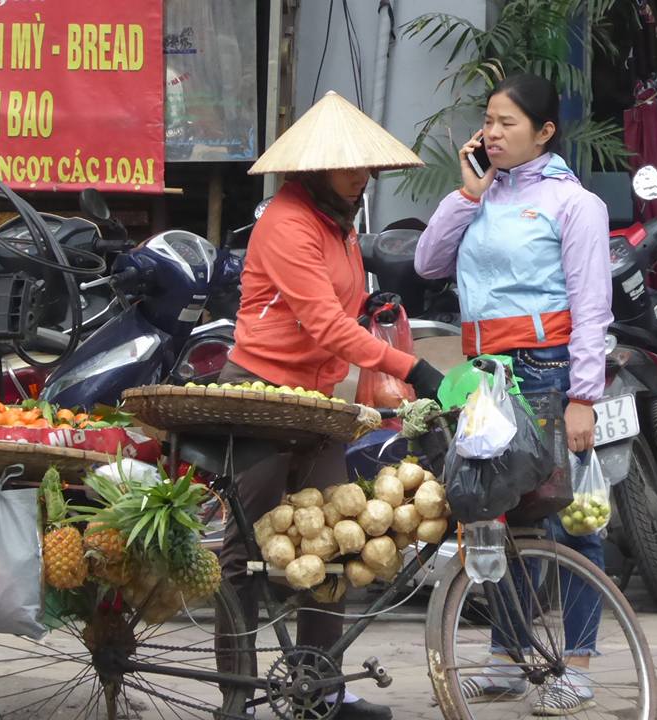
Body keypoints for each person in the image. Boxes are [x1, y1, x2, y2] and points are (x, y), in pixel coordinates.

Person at [219, 90, 446, 720]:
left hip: (316, 402)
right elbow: (323, 323)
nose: (360, 175)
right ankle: (235, 695)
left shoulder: (340, 225)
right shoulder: (287, 222)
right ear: (315, 168)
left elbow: (341, 312)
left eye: (365, 165)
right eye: (347, 166)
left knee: (335, 537)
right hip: (261, 395)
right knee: (243, 551)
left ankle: (320, 690)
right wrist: (411, 366)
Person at [414, 73, 613, 716]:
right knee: (493, 511)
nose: (492, 134)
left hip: (546, 370)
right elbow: (427, 263)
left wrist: (583, 395)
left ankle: (577, 666)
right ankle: (506, 659)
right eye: (488, 121)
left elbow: (592, 306)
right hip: (486, 376)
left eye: (507, 123)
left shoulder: (574, 204)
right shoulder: (482, 195)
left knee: (567, 514)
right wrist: (467, 194)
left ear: (544, 131)